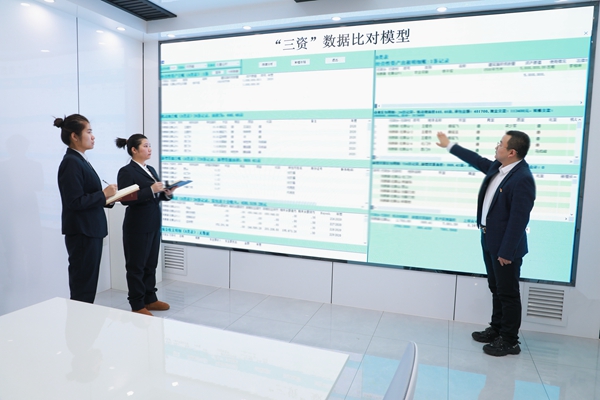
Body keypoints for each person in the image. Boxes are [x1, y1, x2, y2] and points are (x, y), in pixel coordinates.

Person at [436, 130, 535, 357]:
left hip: (505, 247)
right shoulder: (498, 168)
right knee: (495, 287)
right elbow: (476, 159)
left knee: (508, 293)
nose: (496, 146)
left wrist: (507, 251)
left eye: (500, 144)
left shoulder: (522, 178)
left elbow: (519, 220)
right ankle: (497, 329)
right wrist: (449, 145)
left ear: (512, 152)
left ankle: (509, 340)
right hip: (489, 239)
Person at [56, 114, 118, 303]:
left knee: (87, 286)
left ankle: (83, 321)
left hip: (89, 230)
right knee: (83, 288)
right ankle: (78, 322)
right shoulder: (71, 162)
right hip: (82, 232)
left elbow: (86, 196)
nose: (93, 136)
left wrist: (109, 197)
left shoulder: (80, 160)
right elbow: (74, 201)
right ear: (75, 136)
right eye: (89, 132)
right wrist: (103, 194)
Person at [116, 134, 174, 316]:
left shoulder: (150, 169)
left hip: (153, 223)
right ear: (134, 150)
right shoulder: (126, 171)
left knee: (150, 264)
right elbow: (125, 199)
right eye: (146, 146)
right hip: (137, 225)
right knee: (136, 266)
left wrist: (167, 193)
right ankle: (137, 303)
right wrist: (150, 189)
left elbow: (155, 196)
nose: (150, 149)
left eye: (150, 145)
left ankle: (150, 299)